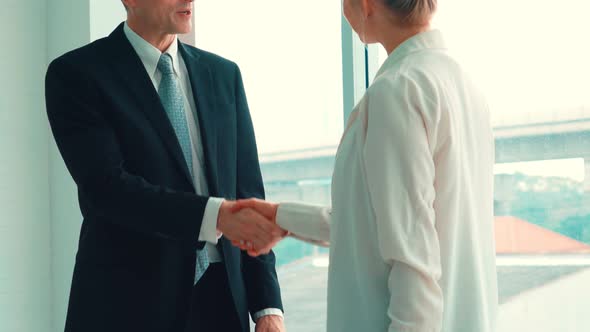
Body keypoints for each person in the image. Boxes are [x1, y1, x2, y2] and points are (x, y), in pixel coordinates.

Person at [232, 0, 498, 331]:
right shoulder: (463, 85)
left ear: (367, 5)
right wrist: (281, 217)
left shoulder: (399, 90)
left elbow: (413, 260)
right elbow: (378, 224)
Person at [44, 0, 286, 331]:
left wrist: (267, 307)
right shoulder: (77, 74)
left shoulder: (223, 75)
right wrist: (215, 216)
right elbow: (107, 189)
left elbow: (247, 193)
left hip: (222, 302)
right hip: (127, 305)